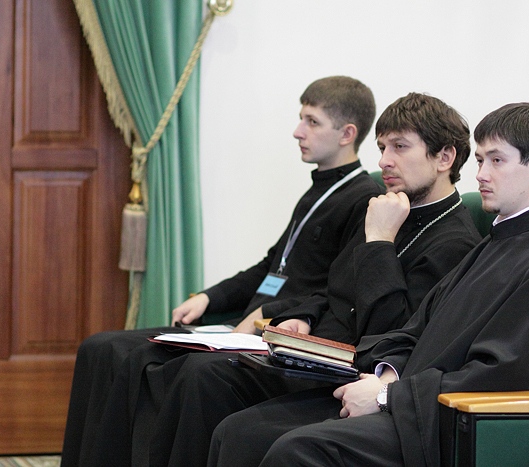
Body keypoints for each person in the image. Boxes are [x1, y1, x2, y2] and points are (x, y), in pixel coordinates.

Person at [86, 93, 482, 467]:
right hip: (311, 350)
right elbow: (333, 288)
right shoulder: (390, 211)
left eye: (399, 147)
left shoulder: (453, 242)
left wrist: (379, 242)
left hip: (345, 372)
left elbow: (391, 333)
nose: (384, 161)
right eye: (381, 148)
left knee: (208, 382)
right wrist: (303, 317)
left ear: (444, 157)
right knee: (195, 372)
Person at [207, 102, 529, 467]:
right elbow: (417, 329)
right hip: (412, 401)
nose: (481, 174)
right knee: (238, 431)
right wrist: (386, 376)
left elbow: (501, 377)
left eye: (497, 160)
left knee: (296, 449)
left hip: (449, 428)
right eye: (481, 160)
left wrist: (386, 395)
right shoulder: (496, 242)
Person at [61, 75, 383, 467]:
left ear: (347, 133)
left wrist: (269, 313)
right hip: (242, 323)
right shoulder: (318, 190)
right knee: (99, 348)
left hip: (273, 334)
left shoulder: (363, 199)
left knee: (139, 361)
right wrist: (208, 297)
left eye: (312, 122)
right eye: (301, 118)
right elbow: (270, 266)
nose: (298, 131)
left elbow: (337, 292)